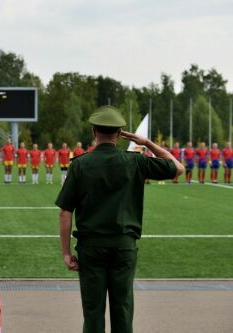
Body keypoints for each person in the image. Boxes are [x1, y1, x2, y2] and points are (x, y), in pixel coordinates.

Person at [56, 106, 183, 333]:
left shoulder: (80, 164)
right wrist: (147, 143)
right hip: (124, 246)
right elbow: (178, 168)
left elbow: (65, 212)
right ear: (120, 133)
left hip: (91, 248)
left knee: (93, 311)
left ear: (94, 132)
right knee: (122, 309)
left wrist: (66, 253)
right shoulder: (135, 161)